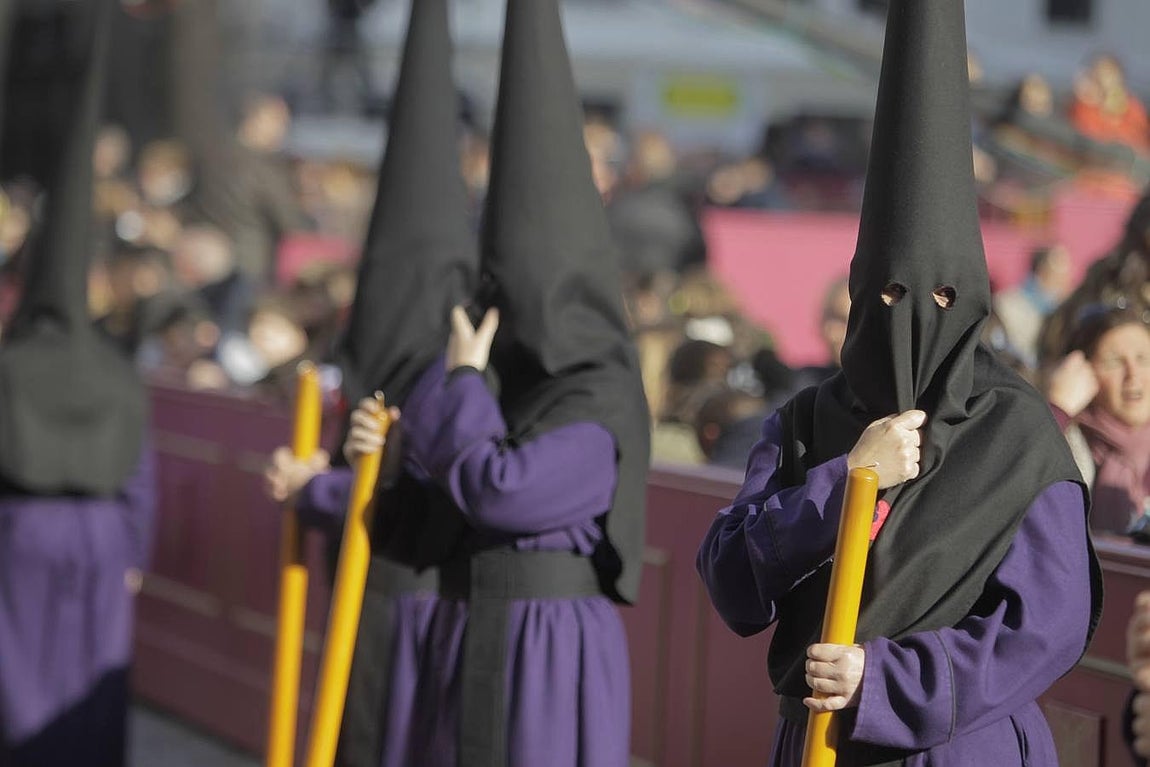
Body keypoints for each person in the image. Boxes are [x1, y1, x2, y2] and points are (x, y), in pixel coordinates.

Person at [696, 1, 1102, 764]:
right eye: (889, 295)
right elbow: (731, 579)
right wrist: (845, 484)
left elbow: (1046, 624)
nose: (914, 319)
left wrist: (885, 677)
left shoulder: (1016, 434)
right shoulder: (807, 421)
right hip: (819, 740)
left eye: (942, 298)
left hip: (961, 743)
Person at [356, 2, 649, 764]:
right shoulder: (492, 384)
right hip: (467, 625)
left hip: (546, 646)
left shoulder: (597, 395)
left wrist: (459, 380)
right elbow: (417, 514)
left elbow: (502, 489)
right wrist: (384, 456)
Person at [263, 3, 469, 765]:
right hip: (376, 586)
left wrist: (315, 487)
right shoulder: (391, 338)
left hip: (414, 595)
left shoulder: (448, 364)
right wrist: (320, 473)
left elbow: (415, 483)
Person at [0, 2, 155, 764]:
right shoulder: (116, 368)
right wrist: (135, 548)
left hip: (21, 529)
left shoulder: (9, 365)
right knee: (94, 663)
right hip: (100, 533)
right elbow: (141, 474)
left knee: (21, 673)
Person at [1046, 306, 1150, 534]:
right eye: (1114, 362)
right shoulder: (1064, 443)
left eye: (1143, 359)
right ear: (1084, 371)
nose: (1133, 375)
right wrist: (1057, 410)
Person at [993, 244, 1074, 369]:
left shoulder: (1066, 312)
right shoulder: (1007, 304)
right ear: (1041, 269)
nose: (1065, 275)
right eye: (1059, 267)